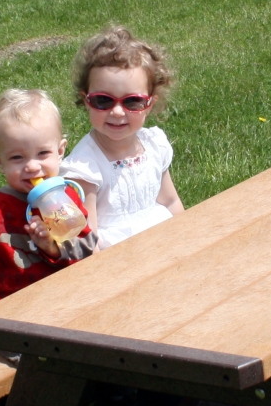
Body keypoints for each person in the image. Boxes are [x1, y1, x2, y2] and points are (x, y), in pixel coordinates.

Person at [0, 89, 95, 308]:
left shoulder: (65, 197)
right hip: (8, 307)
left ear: (60, 151)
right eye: (16, 157)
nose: (32, 166)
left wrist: (52, 247)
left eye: (43, 153)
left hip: (65, 299)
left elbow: (87, 248)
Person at [59, 26, 184, 249]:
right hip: (120, 260)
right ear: (86, 100)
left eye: (132, 101)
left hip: (165, 245)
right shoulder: (85, 168)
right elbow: (88, 240)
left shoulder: (153, 146)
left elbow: (170, 201)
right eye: (103, 101)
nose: (117, 112)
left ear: (149, 105)